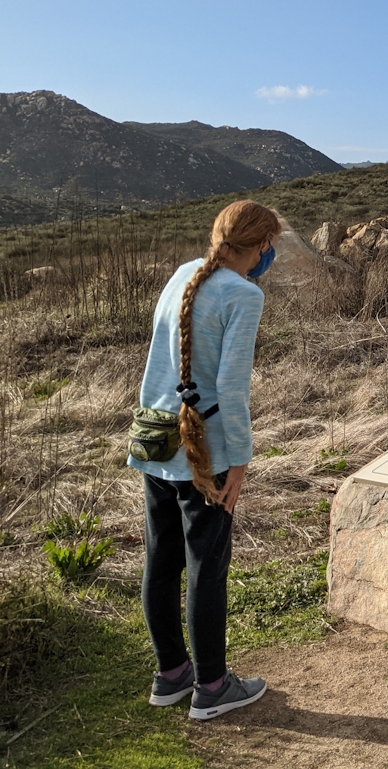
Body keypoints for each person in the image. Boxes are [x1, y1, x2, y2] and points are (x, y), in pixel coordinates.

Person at [130, 199, 282, 720]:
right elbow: (232, 388)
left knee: (161, 559)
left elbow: (158, 360)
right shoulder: (244, 293)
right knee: (206, 568)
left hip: (156, 440)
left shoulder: (183, 274)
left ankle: (171, 675)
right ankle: (213, 688)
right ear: (261, 245)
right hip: (205, 451)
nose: (272, 254)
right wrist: (238, 459)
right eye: (272, 245)